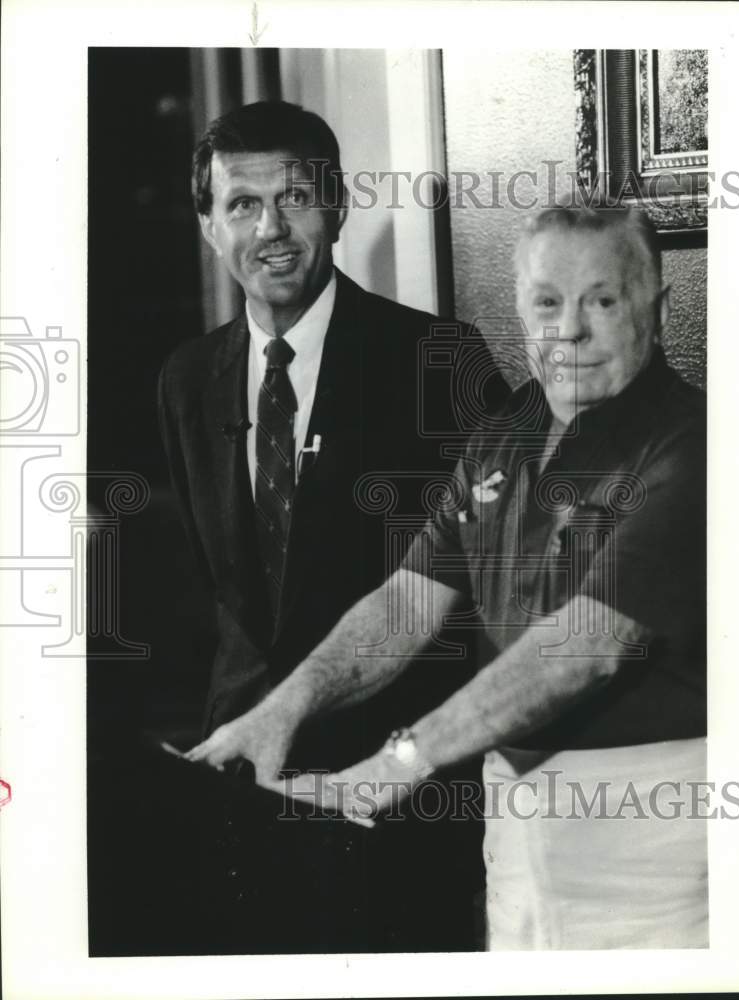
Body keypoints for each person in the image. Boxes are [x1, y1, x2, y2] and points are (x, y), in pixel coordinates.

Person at [188, 204, 708, 951]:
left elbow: (580, 649)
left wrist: (389, 768)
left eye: (602, 299)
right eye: (547, 303)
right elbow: (406, 601)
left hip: (654, 841)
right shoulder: (504, 432)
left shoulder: (693, 448)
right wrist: (283, 707)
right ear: (520, 309)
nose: (569, 330)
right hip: (515, 829)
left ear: (654, 307)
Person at [158, 100, 508, 952]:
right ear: (209, 226)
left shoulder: (440, 363)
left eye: (295, 198)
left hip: (395, 798)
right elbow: (212, 591)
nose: (271, 229)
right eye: (242, 205)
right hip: (239, 783)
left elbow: (485, 594)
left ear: (338, 205)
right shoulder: (185, 380)